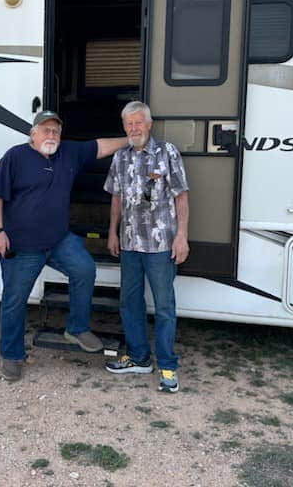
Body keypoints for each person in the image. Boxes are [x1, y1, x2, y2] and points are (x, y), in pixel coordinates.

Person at [0, 110, 127, 382]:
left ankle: (76, 328)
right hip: (22, 246)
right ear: (33, 133)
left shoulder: (69, 153)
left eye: (55, 131)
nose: (51, 135)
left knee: (84, 269)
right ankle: (12, 355)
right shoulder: (15, 157)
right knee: (14, 301)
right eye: (45, 130)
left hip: (58, 240)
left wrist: (130, 138)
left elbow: (100, 146)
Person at [103, 101, 189, 393]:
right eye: (128, 124)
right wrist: (112, 232)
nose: (133, 128)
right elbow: (115, 197)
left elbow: (181, 197)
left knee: (164, 307)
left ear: (149, 124)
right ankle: (139, 357)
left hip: (161, 245)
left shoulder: (167, 153)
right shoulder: (120, 157)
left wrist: (182, 237)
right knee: (130, 302)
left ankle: (167, 365)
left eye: (138, 122)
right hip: (129, 243)